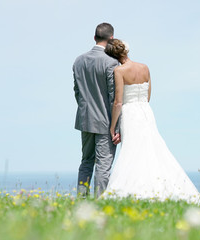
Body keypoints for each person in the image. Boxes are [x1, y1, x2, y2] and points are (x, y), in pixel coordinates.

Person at [101, 39, 200, 203]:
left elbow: (118, 102)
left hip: (130, 112)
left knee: (132, 150)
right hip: (146, 112)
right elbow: (148, 95)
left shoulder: (119, 71)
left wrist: (113, 127)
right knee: (153, 148)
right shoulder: (145, 67)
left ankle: (136, 190)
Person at [73, 23, 121, 198]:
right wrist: (116, 128)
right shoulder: (111, 63)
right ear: (111, 39)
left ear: (94, 38)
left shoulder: (78, 61)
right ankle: (100, 202)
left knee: (86, 161)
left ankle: (81, 199)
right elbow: (114, 97)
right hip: (106, 122)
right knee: (103, 165)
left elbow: (77, 92)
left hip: (85, 120)